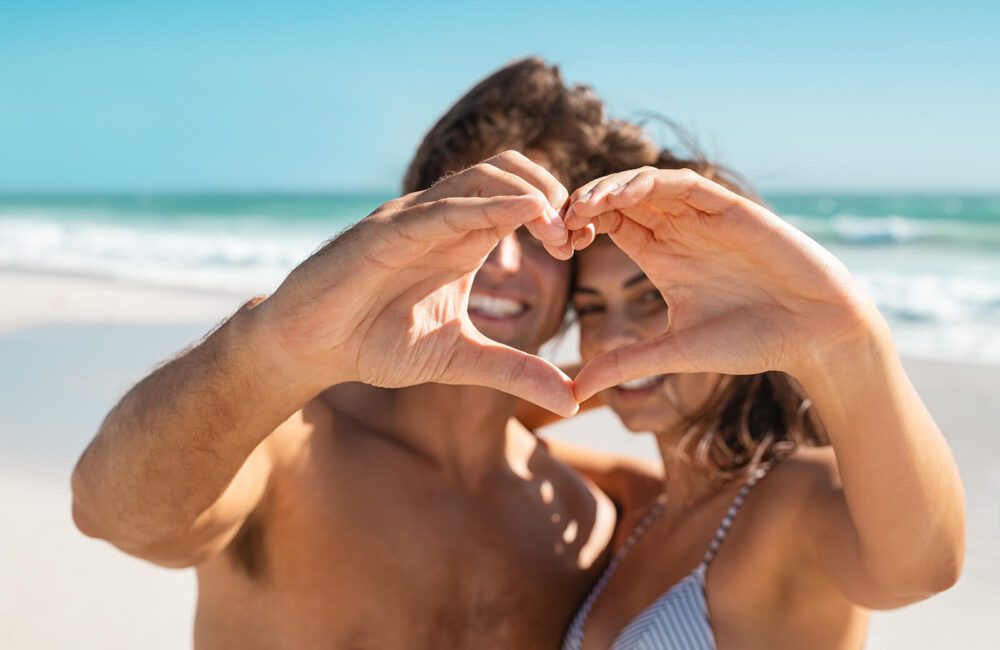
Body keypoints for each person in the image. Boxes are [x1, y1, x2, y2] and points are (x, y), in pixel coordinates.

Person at [69, 58, 666, 649]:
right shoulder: (292, 446)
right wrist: (276, 341)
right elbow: (110, 513)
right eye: (475, 215)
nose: (501, 261)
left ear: (576, 271)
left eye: (538, 232)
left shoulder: (580, 516)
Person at [549, 162, 966, 648]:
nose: (613, 335)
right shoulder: (641, 508)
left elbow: (923, 570)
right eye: (592, 307)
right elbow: (490, 443)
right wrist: (599, 378)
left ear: (737, 307)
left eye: (652, 297)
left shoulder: (793, 498)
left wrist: (847, 341)